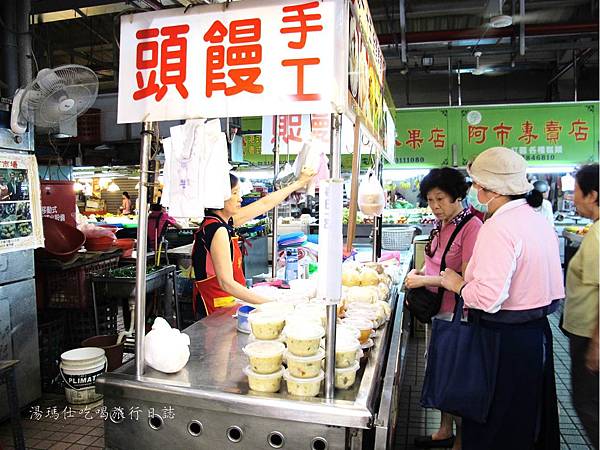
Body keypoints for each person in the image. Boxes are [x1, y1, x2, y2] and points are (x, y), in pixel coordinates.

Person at [440, 147, 564, 450]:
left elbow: (487, 298)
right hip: (536, 336)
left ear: (489, 189)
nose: (474, 190)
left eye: (476, 184)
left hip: (501, 340)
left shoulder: (499, 227)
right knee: (524, 421)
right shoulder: (537, 220)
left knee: (494, 425)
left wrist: (457, 283)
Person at [405, 168, 483, 450]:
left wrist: (422, 279)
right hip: (437, 313)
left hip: (457, 316)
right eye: (430, 200)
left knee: (456, 375)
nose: (435, 206)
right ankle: (443, 429)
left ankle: (460, 441)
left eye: (441, 199)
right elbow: (436, 262)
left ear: (458, 196)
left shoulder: (472, 227)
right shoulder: (442, 225)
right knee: (439, 370)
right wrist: (420, 271)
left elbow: (463, 279)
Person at [192, 168, 315, 317]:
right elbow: (226, 283)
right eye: (235, 193)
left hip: (227, 305)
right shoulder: (217, 230)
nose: (240, 199)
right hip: (215, 309)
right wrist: (270, 304)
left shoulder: (223, 222)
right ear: (220, 196)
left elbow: (264, 203)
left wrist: (299, 183)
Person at [562, 163, 599, 449]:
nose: (572, 196)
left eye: (576, 190)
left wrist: (597, 345)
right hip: (586, 333)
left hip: (590, 335)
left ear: (592, 195)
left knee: (588, 404)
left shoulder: (598, 235)